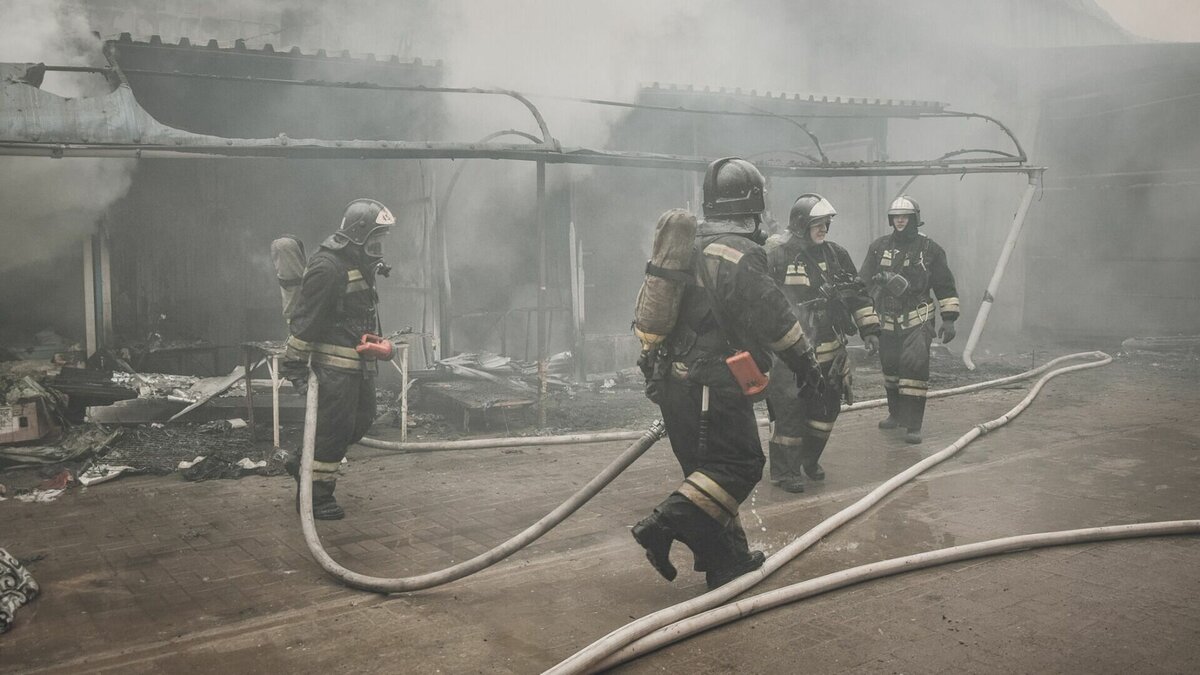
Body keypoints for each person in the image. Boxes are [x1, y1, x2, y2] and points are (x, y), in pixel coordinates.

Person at [632, 158, 824, 590]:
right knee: (738, 464)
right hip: (712, 381)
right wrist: (805, 363)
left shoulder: (689, 242)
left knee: (706, 473)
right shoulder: (740, 252)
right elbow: (776, 318)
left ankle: (726, 562)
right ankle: (660, 527)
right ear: (753, 206)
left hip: (671, 379)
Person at [284, 198, 396, 520]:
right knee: (332, 432)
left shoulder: (357, 261)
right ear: (357, 235)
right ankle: (316, 498)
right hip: (333, 369)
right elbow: (306, 320)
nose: (379, 246)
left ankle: (300, 461)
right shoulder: (328, 268)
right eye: (375, 238)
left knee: (361, 420)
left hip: (358, 367)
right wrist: (295, 368)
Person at [764, 194, 880, 492]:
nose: (824, 229)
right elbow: (762, 299)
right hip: (791, 354)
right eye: (818, 223)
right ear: (802, 225)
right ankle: (785, 472)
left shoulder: (837, 255)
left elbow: (857, 293)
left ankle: (808, 459)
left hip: (830, 351)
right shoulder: (778, 255)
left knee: (826, 412)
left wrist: (869, 330)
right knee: (789, 413)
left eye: (827, 223)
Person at [860, 195, 959, 444]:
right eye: (896, 216)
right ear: (891, 219)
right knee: (891, 370)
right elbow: (863, 283)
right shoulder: (878, 247)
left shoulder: (930, 250)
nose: (900, 221)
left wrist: (949, 319)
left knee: (914, 371)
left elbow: (944, 285)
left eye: (904, 216)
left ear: (915, 219)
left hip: (918, 320)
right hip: (886, 321)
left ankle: (913, 425)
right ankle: (896, 415)